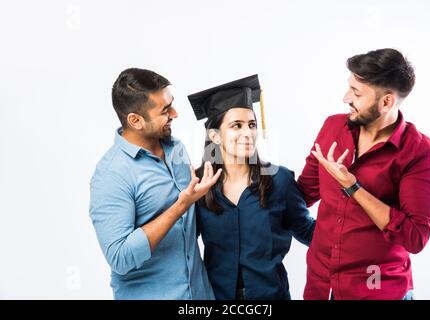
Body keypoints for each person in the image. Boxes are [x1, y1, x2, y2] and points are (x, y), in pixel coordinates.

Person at [297, 48, 430, 300]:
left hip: (376, 291)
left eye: (356, 93)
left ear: (386, 102)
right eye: (349, 88)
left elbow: (415, 237)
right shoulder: (333, 127)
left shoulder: (422, 154)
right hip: (320, 286)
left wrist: (352, 187)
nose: (346, 98)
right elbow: (302, 193)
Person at [89, 68, 221, 299]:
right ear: (135, 120)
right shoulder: (111, 175)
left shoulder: (176, 148)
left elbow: (190, 226)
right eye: (165, 110)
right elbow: (120, 258)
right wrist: (181, 206)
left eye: (172, 104)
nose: (175, 113)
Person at [188, 75, 316, 300]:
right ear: (215, 135)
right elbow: (183, 245)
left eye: (252, 125)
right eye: (236, 125)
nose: (248, 133)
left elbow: (308, 232)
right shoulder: (198, 186)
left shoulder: (280, 180)